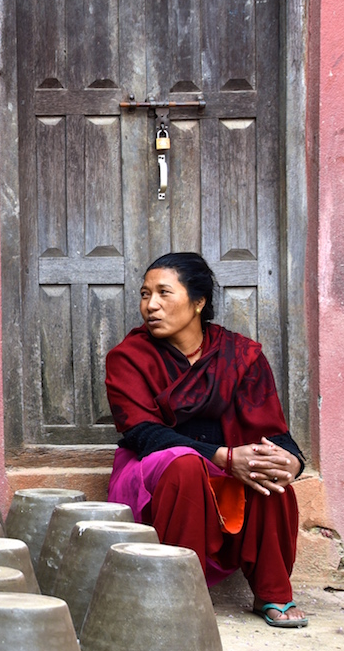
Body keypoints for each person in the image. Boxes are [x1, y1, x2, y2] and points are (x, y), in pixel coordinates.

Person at [103, 253, 308, 628]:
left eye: (164, 293)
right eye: (145, 294)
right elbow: (142, 433)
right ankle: (180, 592)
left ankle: (272, 591)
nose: (151, 305)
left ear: (198, 302)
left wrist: (292, 460)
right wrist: (224, 457)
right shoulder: (128, 357)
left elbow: (272, 431)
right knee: (185, 463)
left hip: (227, 468)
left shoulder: (240, 356)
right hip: (155, 472)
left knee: (268, 475)